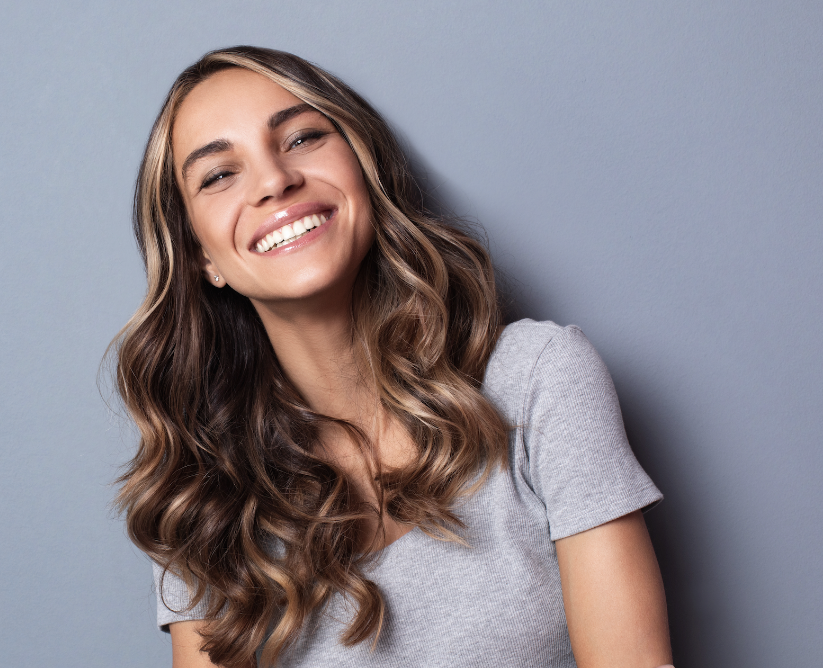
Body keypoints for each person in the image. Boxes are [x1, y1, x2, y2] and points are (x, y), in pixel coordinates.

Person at [112, 46, 674, 668]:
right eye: (219, 175)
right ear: (201, 257)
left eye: (301, 138)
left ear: (364, 170)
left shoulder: (539, 381)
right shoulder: (203, 506)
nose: (274, 181)